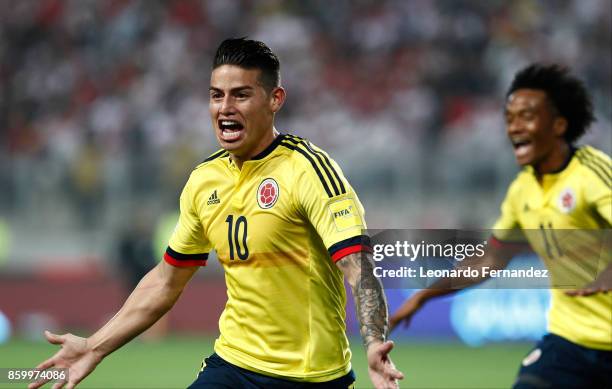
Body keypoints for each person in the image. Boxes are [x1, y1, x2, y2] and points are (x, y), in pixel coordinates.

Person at [30, 38, 403, 389]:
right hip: (233, 366)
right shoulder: (204, 180)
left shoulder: (309, 171)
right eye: (216, 96)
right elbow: (166, 281)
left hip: (310, 376)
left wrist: (373, 341)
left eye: (241, 95)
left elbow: (357, 265)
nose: (225, 108)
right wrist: (95, 346)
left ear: (275, 99)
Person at [390, 64, 611, 388]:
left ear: (559, 125)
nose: (515, 128)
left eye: (527, 117)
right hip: (569, 342)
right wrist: (425, 295)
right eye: (510, 118)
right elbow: (490, 259)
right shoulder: (522, 190)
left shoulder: (592, 173)